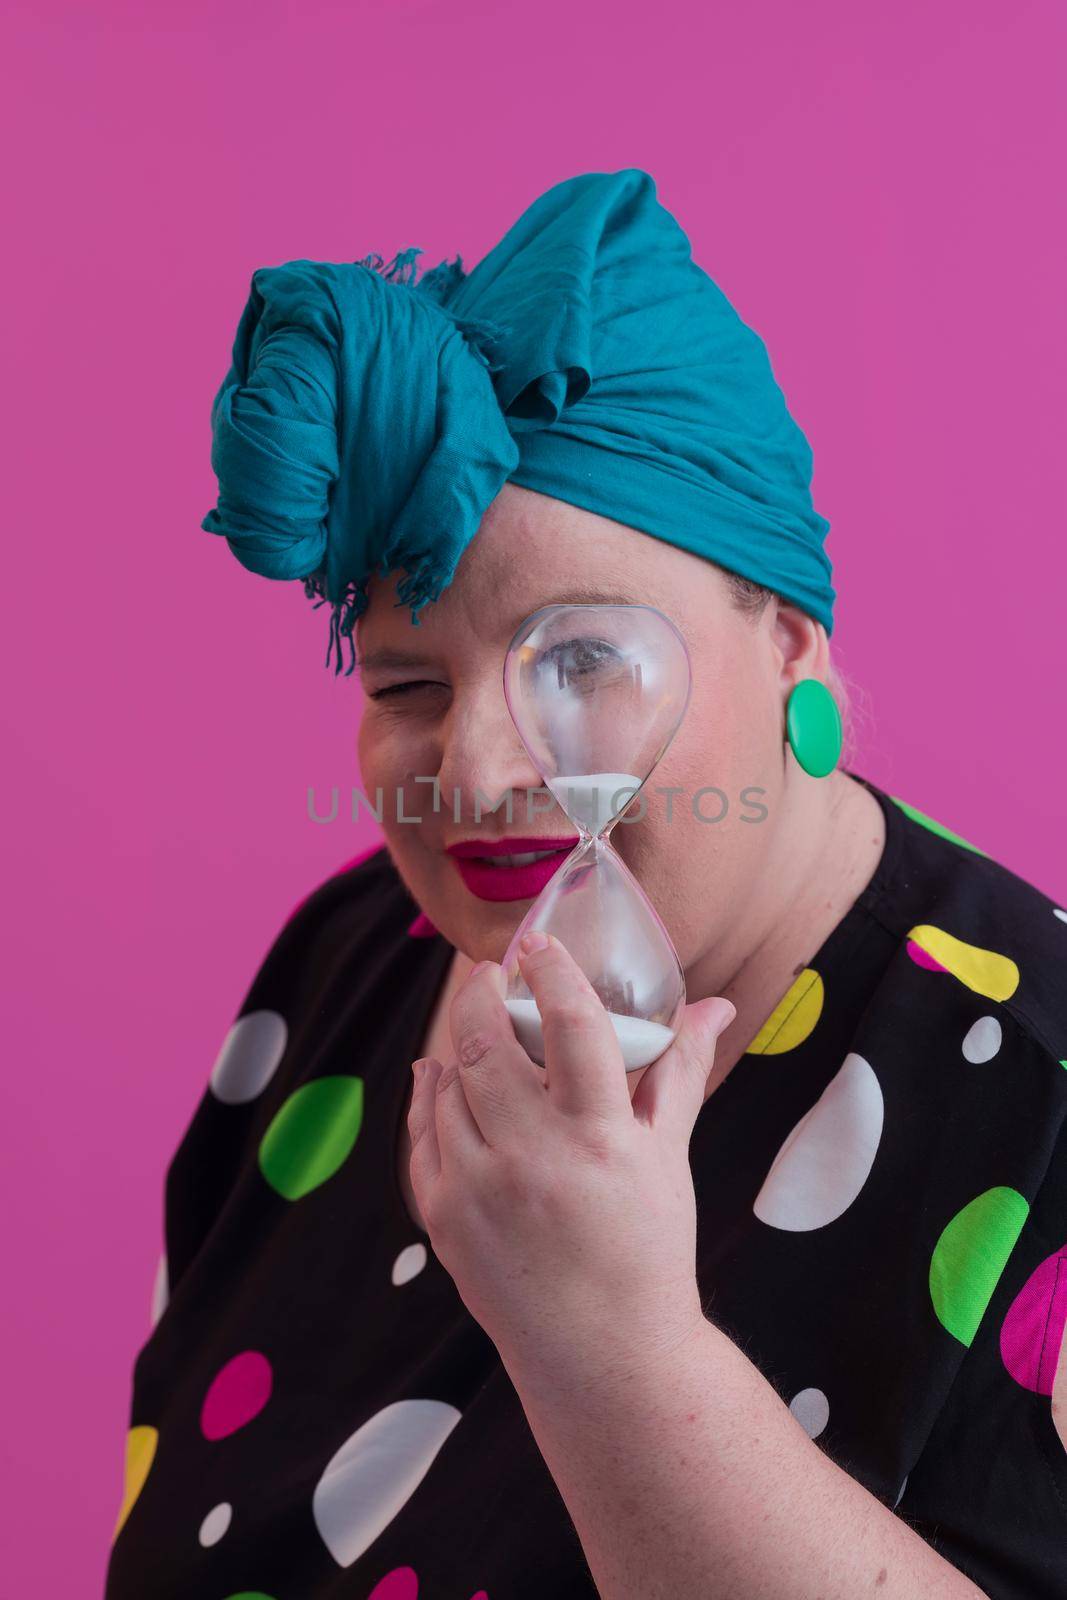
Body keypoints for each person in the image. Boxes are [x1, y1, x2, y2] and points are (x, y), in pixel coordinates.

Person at [105, 170, 1067, 1600]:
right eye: (409, 682)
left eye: (584, 663)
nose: (480, 773)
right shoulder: (343, 969)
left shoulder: (1037, 1091)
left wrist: (614, 1354)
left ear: (792, 638)